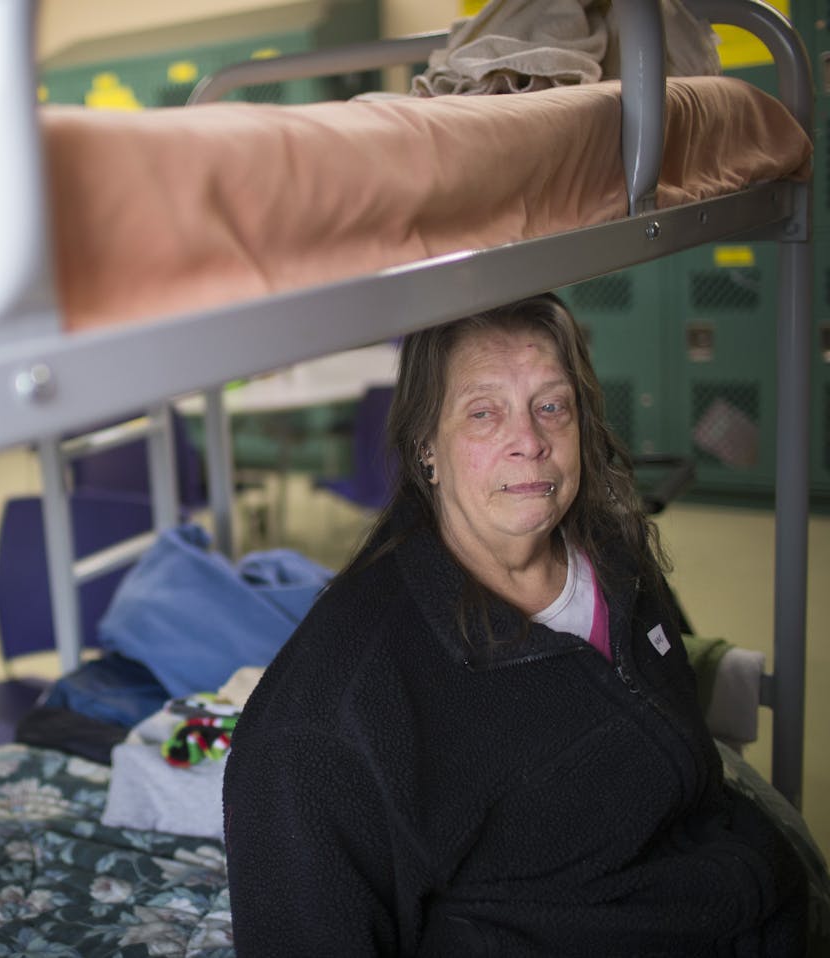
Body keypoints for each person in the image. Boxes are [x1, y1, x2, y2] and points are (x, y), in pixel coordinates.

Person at [222, 294, 808, 955]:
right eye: (483, 413)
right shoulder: (332, 711)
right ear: (426, 451)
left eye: (551, 406)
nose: (529, 441)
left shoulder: (615, 557)